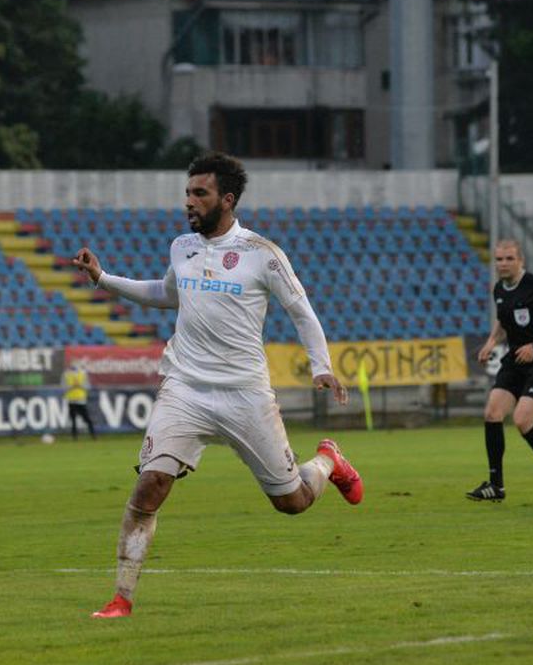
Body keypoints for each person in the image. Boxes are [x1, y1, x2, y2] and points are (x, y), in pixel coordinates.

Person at [72, 151, 363, 619]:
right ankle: (121, 598)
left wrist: (320, 366)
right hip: (184, 387)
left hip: (245, 394)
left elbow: (301, 311)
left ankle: (328, 461)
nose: (189, 202)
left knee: (292, 502)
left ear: (226, 200)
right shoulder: (181, 247)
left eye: (199, 194)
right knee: (151, 485)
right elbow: (166, 294)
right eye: (188, 193)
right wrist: (104, 279)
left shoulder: (262, 255)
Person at [468, 239, 533, 503]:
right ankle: (496, 485)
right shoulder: (499, 289)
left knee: (523, 420)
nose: (503, 264)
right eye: (499, 259)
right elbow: (504, 320)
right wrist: (491, 342)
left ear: (521, 260)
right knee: (492, 412)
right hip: (516, 359)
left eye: (509, 259)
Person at [63, 362, 96, 440]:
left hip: (81, 400)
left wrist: (79, 385)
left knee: (87, 419)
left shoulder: (83, 374)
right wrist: (72, 386)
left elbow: (88, 387)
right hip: (71, 400)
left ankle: (93, 436)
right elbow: (63, 387)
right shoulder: (66, 374)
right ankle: (74, 437)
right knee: (73, 420)